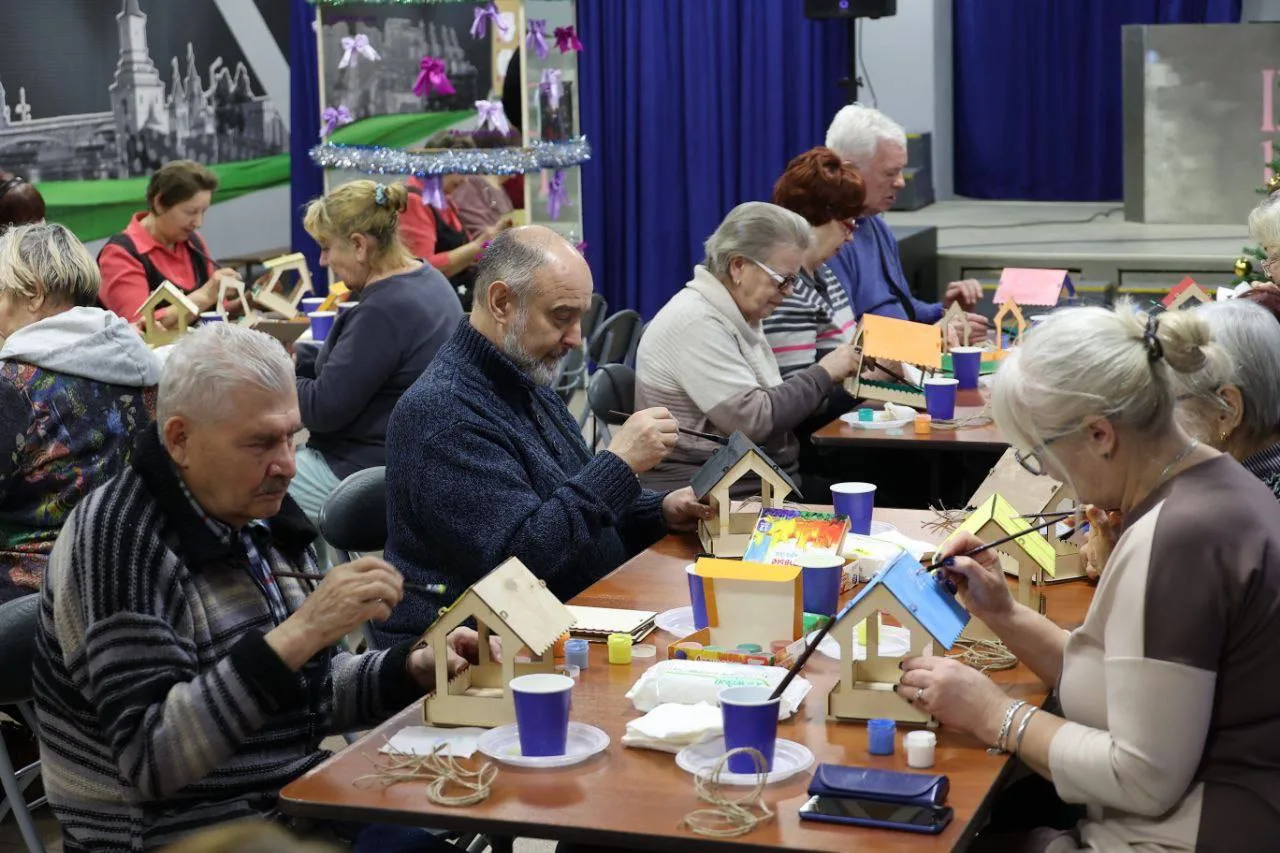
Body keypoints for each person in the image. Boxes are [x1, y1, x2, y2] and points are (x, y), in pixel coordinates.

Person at [33, 323, 485, 853]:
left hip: (291, 803)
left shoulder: (251, 510)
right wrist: (304, 630)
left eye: (292, 436)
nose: (288, 465)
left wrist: (407, 668)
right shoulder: (120, 541)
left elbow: (307, 698)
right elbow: (153, 760)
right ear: (179, 438)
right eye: (260, 442)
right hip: (182, 836)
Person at [900, 302, 1280, 851]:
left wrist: (991, 713)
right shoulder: (1216, 485)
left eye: (1038, 455)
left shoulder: (1179, 537)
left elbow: (1142, 777)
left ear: (1100, 435)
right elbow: (1128, 683)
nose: (1048, 473)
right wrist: (1004, 614)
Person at [379, 226, 711, 646]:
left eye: (580, 317)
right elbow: (522, 564)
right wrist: (619, 463)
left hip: (568, 618)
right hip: (480, 659)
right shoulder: (442, 413)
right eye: (561, 316)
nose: (575, 338)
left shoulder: (521, 376)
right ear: (502, 302)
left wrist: (659, 509)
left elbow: (579, 504)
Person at [634, 202, 862, 494]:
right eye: (783, 280)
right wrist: (825, 373)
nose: (790, 292)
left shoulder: (737, 311)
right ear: (739, 266)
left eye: (793, 280)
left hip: (757, 484)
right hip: (718, 499)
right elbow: (754, 420)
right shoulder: (697, 321)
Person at [0, 223, 160, 603]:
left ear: (34, 294)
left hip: (34, 598)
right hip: (139, 578)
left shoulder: (14, 384)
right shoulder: (141, 361)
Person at [292, 180, 461, 522]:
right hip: (426, 462)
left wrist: (276, 370)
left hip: (372, 473)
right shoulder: (427, 279)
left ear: (358, 245)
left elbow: (320, 410)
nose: (324, 260)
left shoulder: (383, 310)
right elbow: (365, 365)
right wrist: (299, 356)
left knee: (245, 488)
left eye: (327, 248)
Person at [1078, 298, 1280, 580]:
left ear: (1226, 411)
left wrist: (1125, 565)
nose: (1153, 421)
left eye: (1168, 402)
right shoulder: (1239, 483)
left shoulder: (1239, 512)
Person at [823, 105, 987, 341]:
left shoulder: (875, 224)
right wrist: (930, 337)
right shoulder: (827, 241)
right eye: (890, 173)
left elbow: (902, 307)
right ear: (849, 171)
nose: (900, 183)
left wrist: (945, 311)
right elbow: (846, 340)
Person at [762, 146, 862, 380]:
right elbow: (798, 402)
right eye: (847, 225)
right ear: (821, 215)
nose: (850, 237)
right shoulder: (786, 292)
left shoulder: (825, 275)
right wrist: (878, 378)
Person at [97, 159, 239, 322]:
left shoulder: (194, 243)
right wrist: (205, 296)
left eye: (203, 212)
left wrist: (249, 301)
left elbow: (216, 311)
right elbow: (139, 327)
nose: (198, 223)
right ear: (159, 203)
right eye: (191, 212)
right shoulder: (121, 254)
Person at [400, 134, 512, 310]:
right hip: (434, 304)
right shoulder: (414, 200)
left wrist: (490, 243)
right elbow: (421, 266)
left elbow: (464, 253)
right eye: (462, 171)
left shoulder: (445, 200)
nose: (466, 180)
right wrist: (477, 247)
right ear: (441, 166)